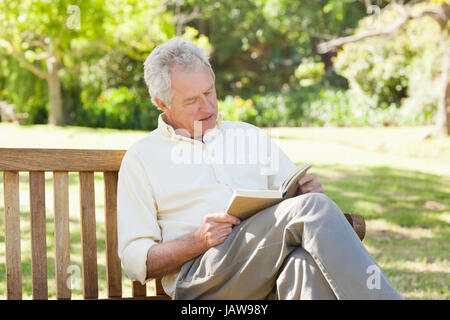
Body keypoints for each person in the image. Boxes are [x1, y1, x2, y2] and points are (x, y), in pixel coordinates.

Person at [117, 38, 402, 300]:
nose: (207, 106)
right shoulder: (142, 158)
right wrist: (197, 241)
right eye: (191, 100)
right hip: (203, 278)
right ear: (161, 103)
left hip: (265, 267)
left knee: (303, 265)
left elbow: (293, 208)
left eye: (209, 91)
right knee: (313, 208)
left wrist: (301, 192)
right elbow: (134, 260)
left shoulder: (249, 136)